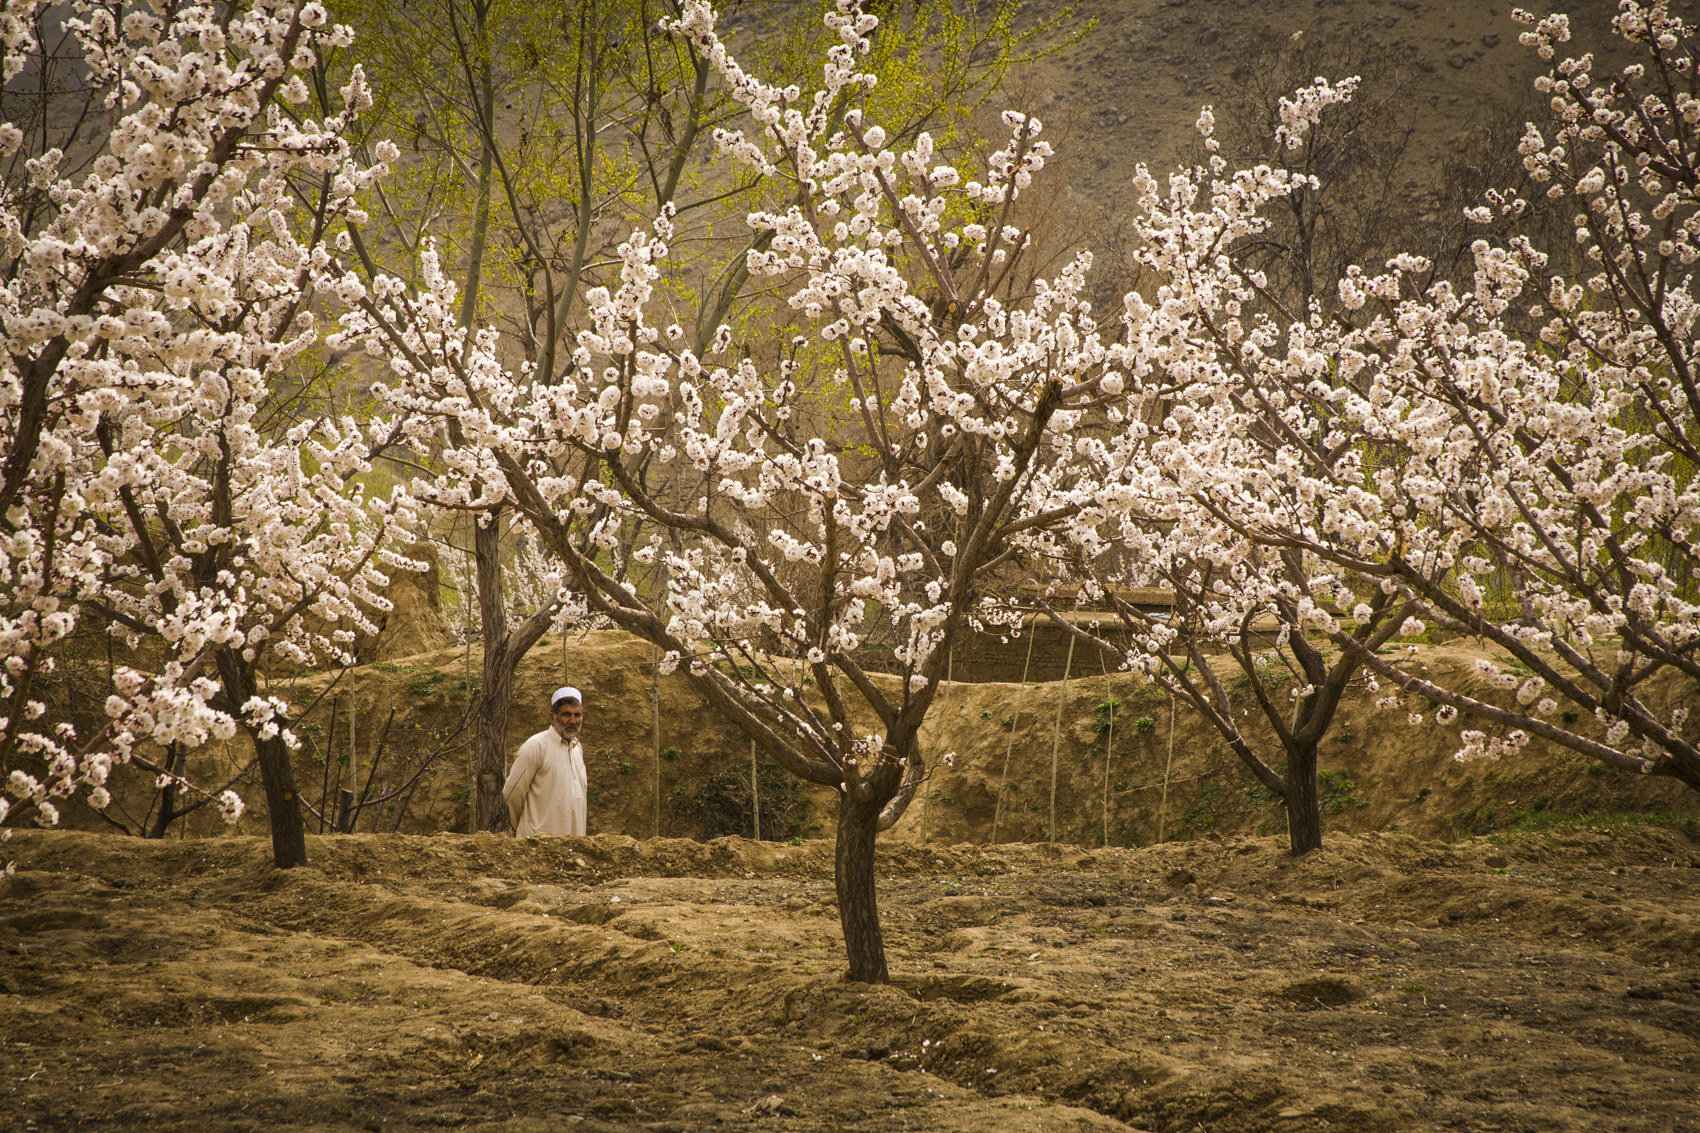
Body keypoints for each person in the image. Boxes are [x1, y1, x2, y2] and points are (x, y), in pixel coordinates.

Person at [503, 686, 588, 837]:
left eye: (577, 715)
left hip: (573, 844)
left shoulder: (576, 747)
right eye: (566, 715)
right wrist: (525, 826)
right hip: (538, 845)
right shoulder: (536, 746)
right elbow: (512, 792)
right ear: (552, 717)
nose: (573, 721)